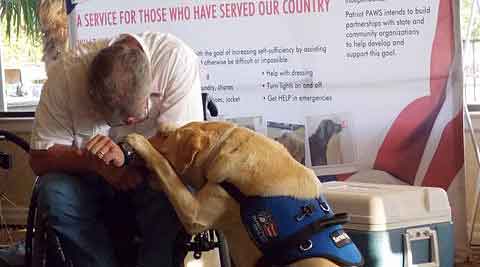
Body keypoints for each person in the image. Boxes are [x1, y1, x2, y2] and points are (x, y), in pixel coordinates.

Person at [29, 32, 203, 267]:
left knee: (176, 192)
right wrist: (95, 163)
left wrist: (129, 153)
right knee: (54, 191)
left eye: (134, 119)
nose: (128, 124)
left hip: (151, 174)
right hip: (87, 177)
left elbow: (182, 148)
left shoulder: (176, 61)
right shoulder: (65, 77)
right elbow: (39, 159)